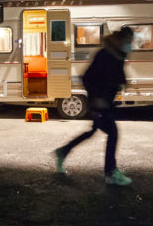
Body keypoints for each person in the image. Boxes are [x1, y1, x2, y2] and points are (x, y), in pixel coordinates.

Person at [53, 27, 134, 186]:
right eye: (129, 41)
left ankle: (63, 151)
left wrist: (122, 83)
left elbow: (116, 76)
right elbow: (87, 78)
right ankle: (110, 173)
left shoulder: (118, 55)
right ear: (121, 40)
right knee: (113, 133)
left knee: (93, 132)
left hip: (106, 103)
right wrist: (97, 98)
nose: (131, 45)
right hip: (99, 103)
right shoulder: (105, 54)